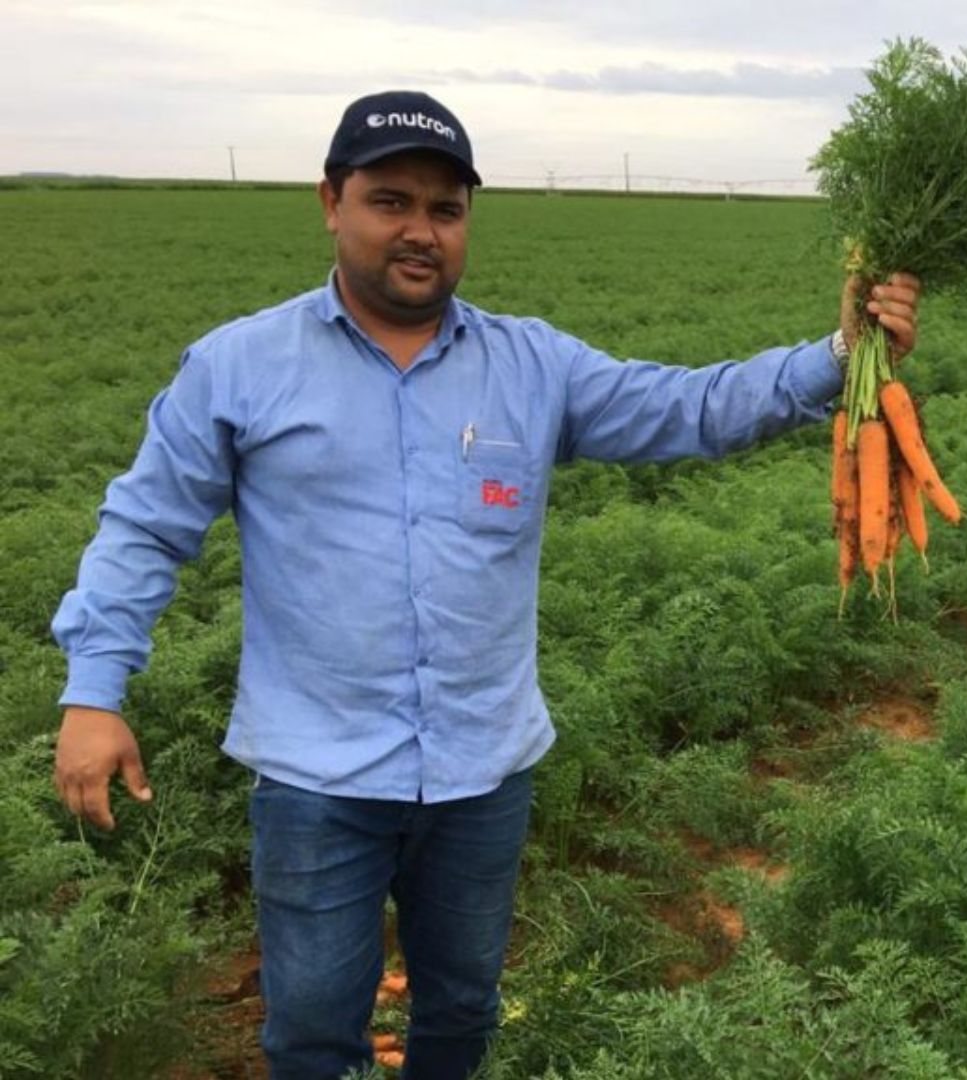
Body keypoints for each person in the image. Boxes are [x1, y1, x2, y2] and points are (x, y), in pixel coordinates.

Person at [49, 89, 921, 1080]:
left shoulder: (531, 365)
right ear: (332, 202)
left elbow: (685, 408)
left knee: (461, 1010)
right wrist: (93, 689)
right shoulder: (241, 367)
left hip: (481, 772)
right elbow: (143, 525)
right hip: (316, 778)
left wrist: (841, 356)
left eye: (445, 209)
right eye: (392, 201)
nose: (419, 232)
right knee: (312, 1027)